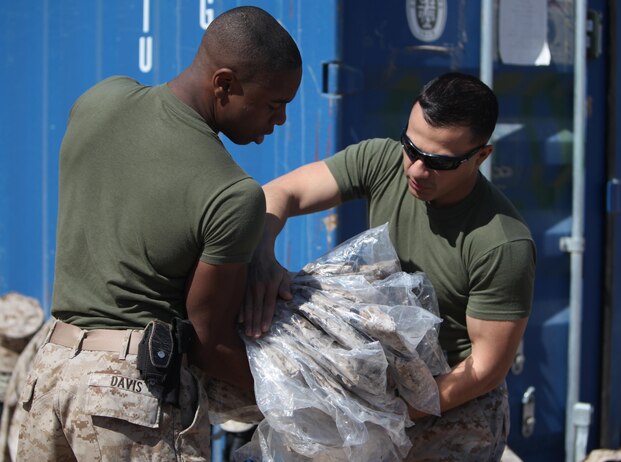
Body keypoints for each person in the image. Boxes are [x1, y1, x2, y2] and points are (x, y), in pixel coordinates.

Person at [16, 6, 302, 461]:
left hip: (49, 377)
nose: (281, 120)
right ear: (224, 84)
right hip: (129, 399)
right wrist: (299, 394)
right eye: (274, 104)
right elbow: (211, 341)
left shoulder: (100, 99)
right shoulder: (231, 193)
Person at [245, 72, 535, 460]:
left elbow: (485, 370)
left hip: (455, 406)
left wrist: (390, 413)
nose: (416, 170)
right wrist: (262, 253)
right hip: (380, 386)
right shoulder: (382, 162)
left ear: (481, 156)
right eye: (411, 149)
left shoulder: (501, 243)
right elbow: (282, 193)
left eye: (438, 162)